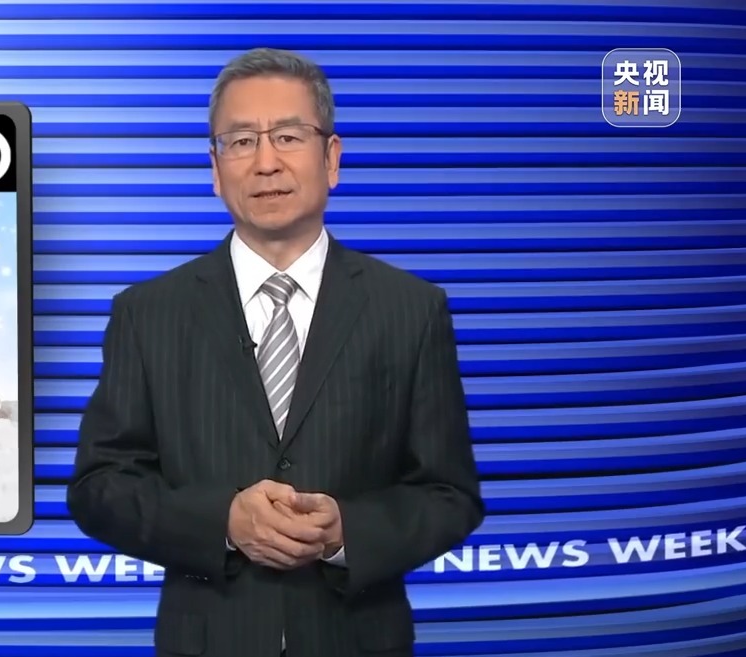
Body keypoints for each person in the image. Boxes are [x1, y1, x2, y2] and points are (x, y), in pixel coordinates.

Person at [66, 48, 484, 657]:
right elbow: (99, 487)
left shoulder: (411, 309)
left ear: (331, 158)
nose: (265, 162)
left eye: (288, 136)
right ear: (215, 169)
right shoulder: (148, 313)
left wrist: (346, 534)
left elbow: (449, 495)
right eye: (240, 142)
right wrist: (222, 524)